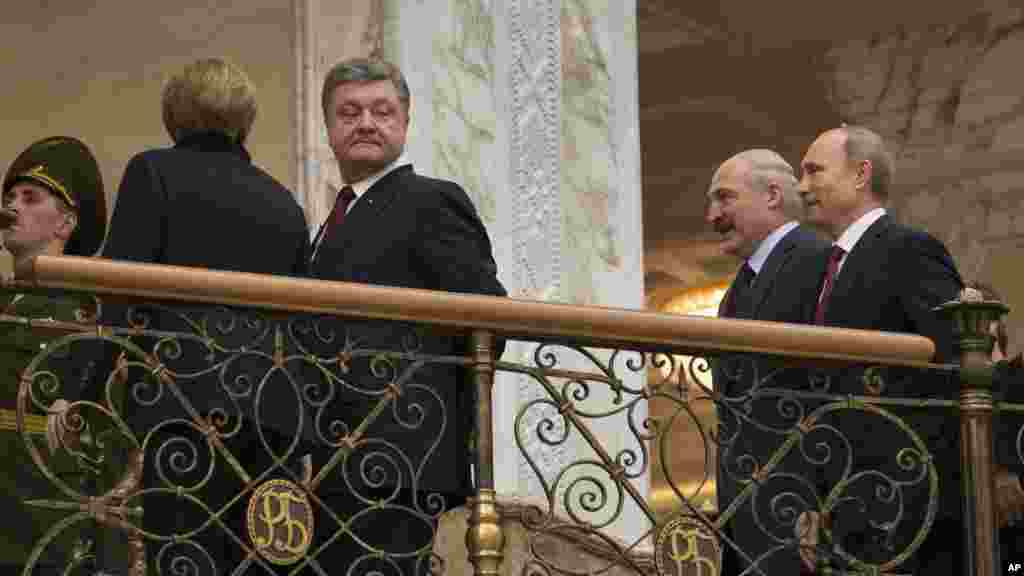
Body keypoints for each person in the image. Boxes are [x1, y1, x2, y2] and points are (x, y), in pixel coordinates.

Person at [101, 57, 311, 574]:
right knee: (256, 563)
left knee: (184, 558)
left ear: (174, 115)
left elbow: (115, 286)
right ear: (245, 120)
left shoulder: (153, 171)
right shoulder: (284, 203)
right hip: (271, 416)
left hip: (184, 404)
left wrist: (85, 387)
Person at [308, 57, 506, 571]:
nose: (367, 123)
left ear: (405, 123)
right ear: (328, 128)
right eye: (349, 112)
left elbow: (489, 316)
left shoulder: (431, 201)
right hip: (335, 456)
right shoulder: (333, 218)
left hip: (400, 456)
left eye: (382, 111)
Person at [796, 125, 963, 574]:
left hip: (907, 503)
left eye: (814, 171)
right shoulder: (823, 267)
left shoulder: (908, 249)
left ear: (860, 175)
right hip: (846, 502)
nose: (802, 185)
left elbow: (960, 361)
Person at [705, 149, 829, 575]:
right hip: (748, 525)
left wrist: (825, 507)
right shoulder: (738, 288)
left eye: (724, 198)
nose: (712, 215)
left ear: (773, 195)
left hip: (801, 516)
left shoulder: (818, 260)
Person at [0, 136, 108, 573]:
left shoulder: (85, 309)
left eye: (31, 198)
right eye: (10, 198)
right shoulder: (7, 301)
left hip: (40, 507)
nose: (13, 207)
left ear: (64, 224)